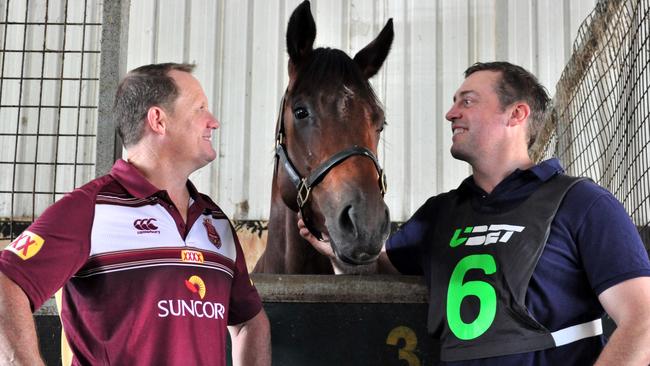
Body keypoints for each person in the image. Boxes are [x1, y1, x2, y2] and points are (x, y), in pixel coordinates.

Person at [299, 61, 650, 365]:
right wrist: (341, 253)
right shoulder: (439, 214)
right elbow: (377, 268)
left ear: (517, 114)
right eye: (454, 103)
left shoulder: (583, 204)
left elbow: (643, 321)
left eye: (467, 101)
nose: (451, 113)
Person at [0, 63, 271, 365]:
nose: (213, 122)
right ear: (158, 120)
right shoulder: (91, 208)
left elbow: (249, 322)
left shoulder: (215, 221)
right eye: (199, 108)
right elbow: (5, 282)